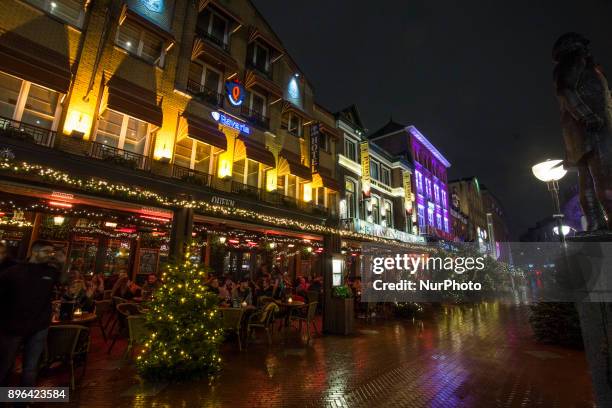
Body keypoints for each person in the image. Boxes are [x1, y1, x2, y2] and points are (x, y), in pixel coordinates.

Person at [0, 240, 66, 386]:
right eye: (46, 252)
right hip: (13, 326)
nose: (50, 255)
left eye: (51, 252)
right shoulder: (15, 271)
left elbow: (65, 282)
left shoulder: (51, 271)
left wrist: (62, 264)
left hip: (39, 326)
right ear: (35, 252)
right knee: (5, 364)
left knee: (30, 368)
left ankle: (22, 402)